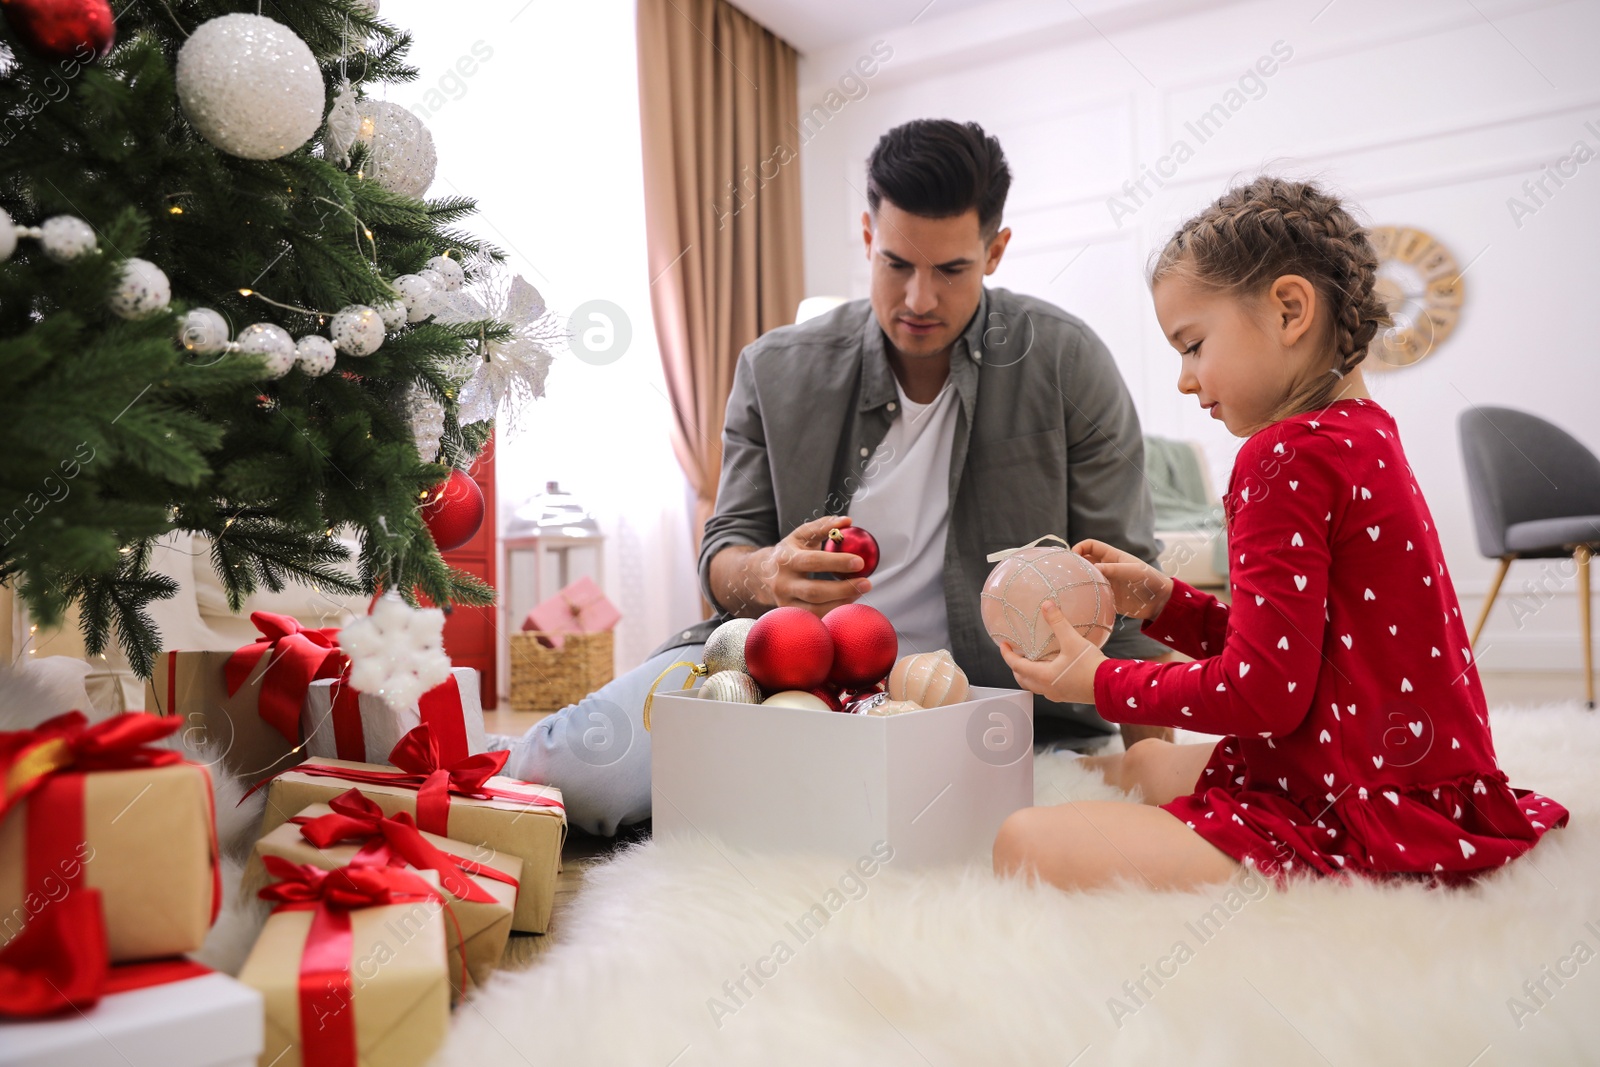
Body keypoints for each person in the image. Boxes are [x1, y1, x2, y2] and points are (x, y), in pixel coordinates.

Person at [491, 118, 1173, 835]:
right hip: (783, 675)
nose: (918, 300)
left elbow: (1126, 588)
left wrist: (1155, 785)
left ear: (996, 251)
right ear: (866, 234)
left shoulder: (1066, 364)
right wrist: (767, 572)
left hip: (982, 702)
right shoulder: (777, 368)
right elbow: (722, 558)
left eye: (951, 271)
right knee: (572, 778)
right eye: (896, 263)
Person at [991, 176, 1570, 891]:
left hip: (1348, 806)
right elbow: (1300, 649)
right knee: (1144, 764)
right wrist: (1167, 599)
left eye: (1193, 344)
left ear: (1291, 309)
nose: (1183, 378)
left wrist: (1102, 681)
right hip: (1414, 776)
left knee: (1023, 840)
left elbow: (1263, 695)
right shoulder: (1367, 435)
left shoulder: (1280, 456)